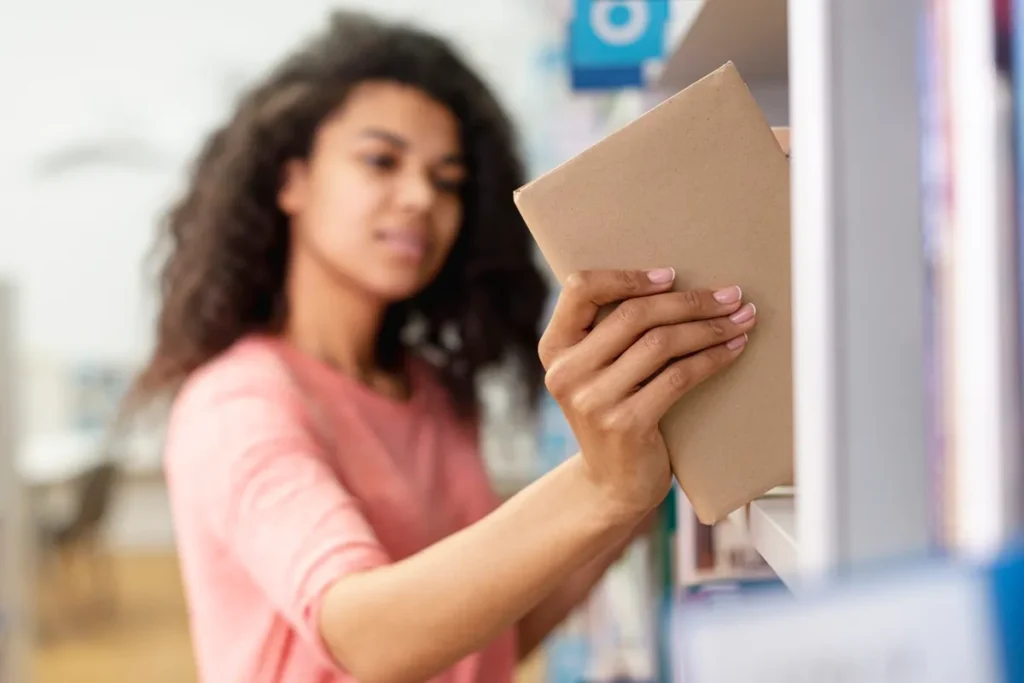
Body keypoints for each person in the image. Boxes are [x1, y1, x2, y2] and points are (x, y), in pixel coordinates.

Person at [127, 10, 757, 683]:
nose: (419, 197)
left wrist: (635, 494)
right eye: (381, 160)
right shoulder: (239, 403)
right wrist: (598, 486)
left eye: (447, 180)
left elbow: (481, 641)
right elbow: (364, 636)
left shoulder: (424, 388)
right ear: (292, 181)